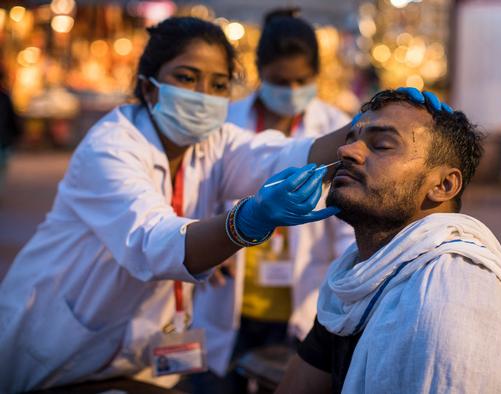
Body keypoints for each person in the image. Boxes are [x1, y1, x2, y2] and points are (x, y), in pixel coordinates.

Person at [0, 17, 353, 392]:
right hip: (60, 350)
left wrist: (368, 122)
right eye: (186, 78)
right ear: (148, 87)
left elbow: (285, 155)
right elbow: (155, 243)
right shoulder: (111, 147)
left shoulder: (213, 143)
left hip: (136, 354)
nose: (203, 94)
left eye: (218, 85)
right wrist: (246, 221)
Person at [276, 88, 501, 394]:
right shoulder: (356, 279)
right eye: (351, 139)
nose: (347, 152)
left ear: (443, 185)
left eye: (382, 145)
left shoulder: (455, 292)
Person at [189, 9, 354, 387]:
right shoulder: (226, 122)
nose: (292, 90)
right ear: (260, 70)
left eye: (302, 80)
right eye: (281, 80)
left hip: (302, 301)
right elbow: (198, 196)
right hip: (229, 298)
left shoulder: (334, 129)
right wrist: (206, 244)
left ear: (317, 74)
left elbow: (348, 225)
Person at [0, 65, 22, 195]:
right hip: (3, 140)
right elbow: (12, 118)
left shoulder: (5, 97)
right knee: (2, 168)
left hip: (3, 139)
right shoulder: (5, 97)